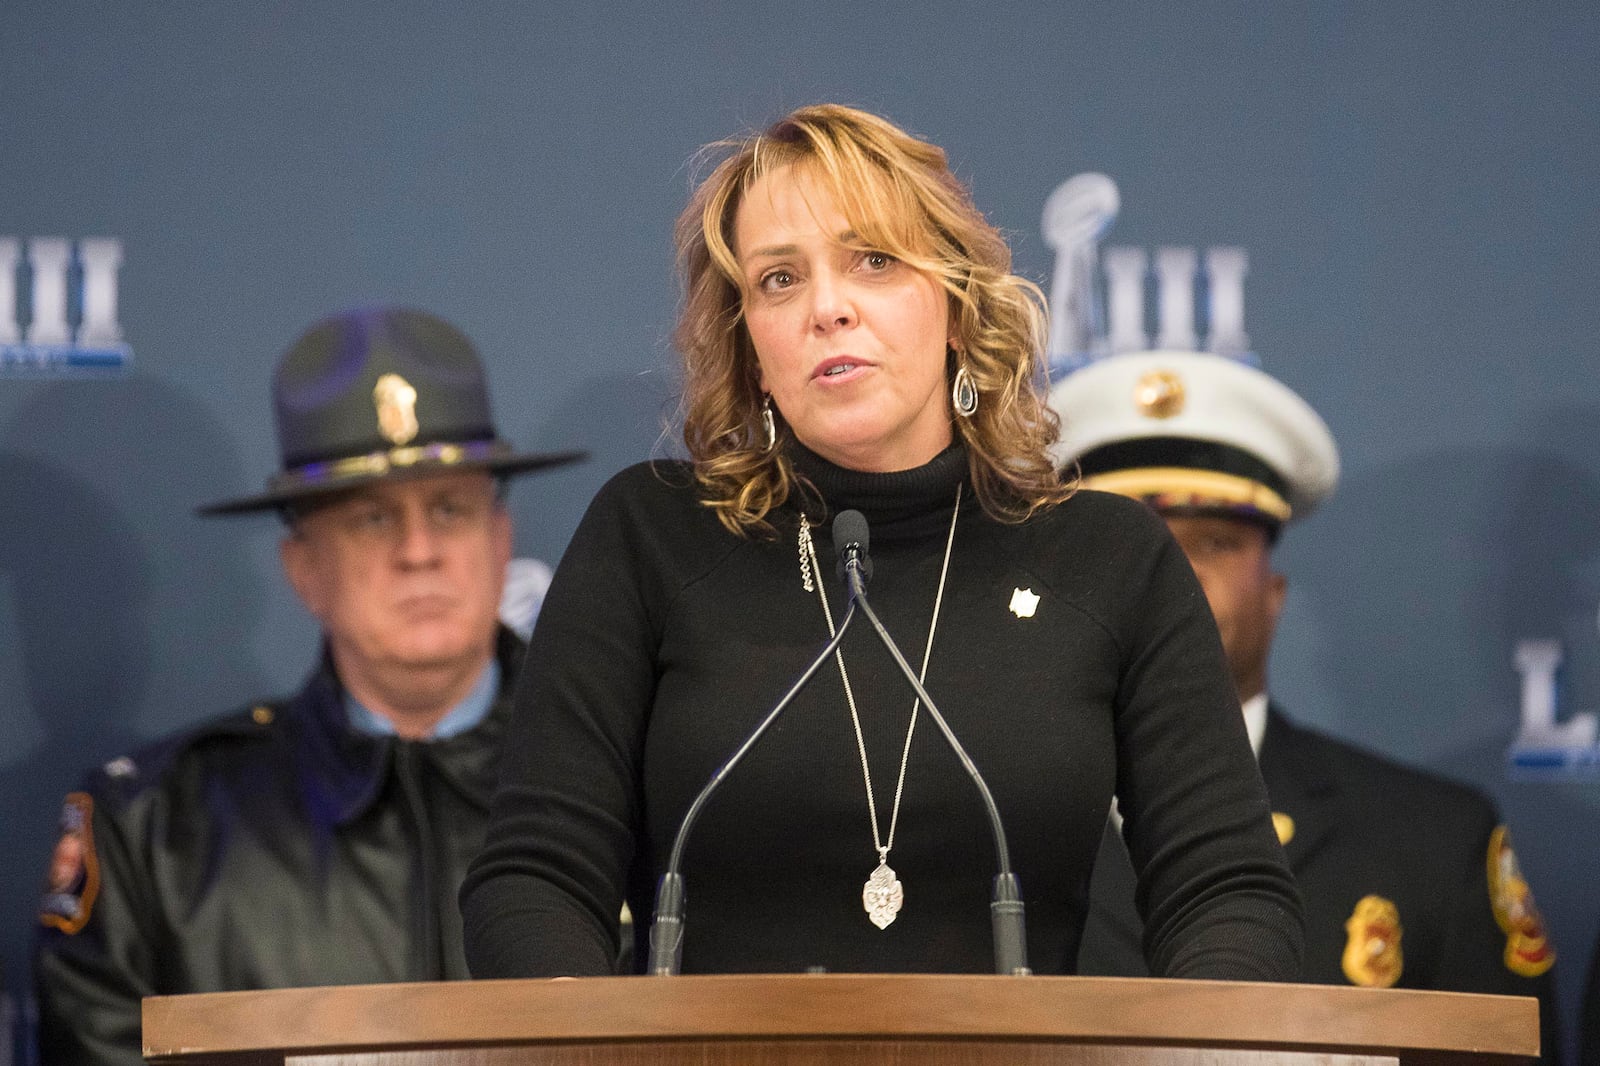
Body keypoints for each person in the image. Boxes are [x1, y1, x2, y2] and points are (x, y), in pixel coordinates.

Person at [459, 104, 1302, 980]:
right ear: (748, 343)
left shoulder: (1106, 558)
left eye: (874, 260)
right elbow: (538, 876)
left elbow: (1226, 891)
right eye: (779, 279)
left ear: (956, 303)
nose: (828, 307)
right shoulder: (650, 538)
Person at [31, 307, 584, 1066]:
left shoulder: (632, 796)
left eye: (450, 508)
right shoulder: (154, 833)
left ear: (500, 541)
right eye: (372, 519)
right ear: (303, 570)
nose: (419, 552)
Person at [1053, 350, 1561, 1060]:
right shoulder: (974, 825)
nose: (1176, 577)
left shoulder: (1434, 841)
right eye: (1140, 547)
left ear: (1275, 594)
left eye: (1217, 543)